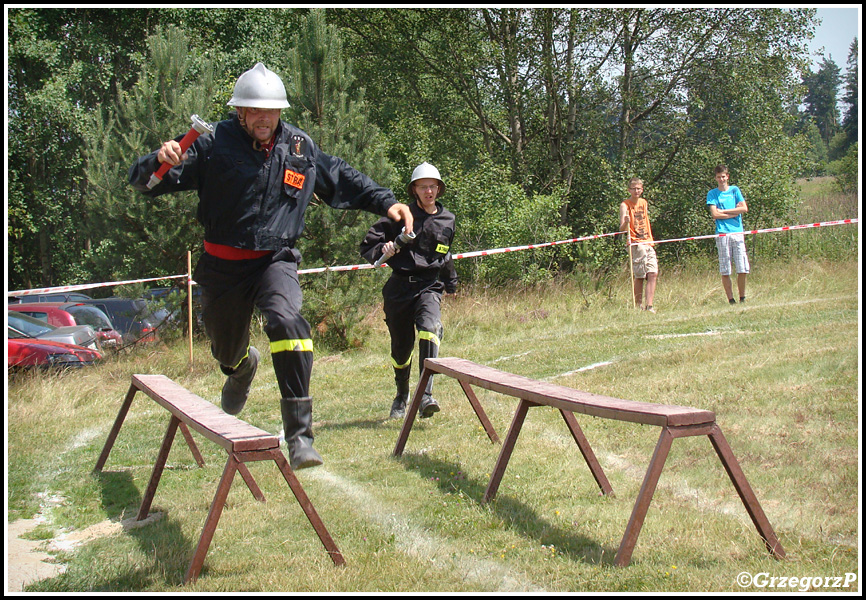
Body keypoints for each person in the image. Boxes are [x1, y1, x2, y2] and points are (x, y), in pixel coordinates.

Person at [129, 63, 413, 469]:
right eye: (254, 111)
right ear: (240, 112)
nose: (264, 119)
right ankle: (241, 368)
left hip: (274, 261)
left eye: (271, 111)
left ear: (280, 111)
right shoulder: (212, 144)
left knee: (287, 321)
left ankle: (300, 436)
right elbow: (146, 183)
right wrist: (157, 160)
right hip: (222, 267)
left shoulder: (299, 147)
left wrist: (387, 201)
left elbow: (340, 176)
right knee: (226, 350)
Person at [360, 162, 458, 420]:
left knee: (430, 329)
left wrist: (451, 283)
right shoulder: (401, 216)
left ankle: (425, 396)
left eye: (433, 186)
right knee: (401, 350)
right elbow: (368, 245)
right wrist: (384, 249)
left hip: (429, 285)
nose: (429, 191)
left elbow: (444, 254)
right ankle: (401, 395)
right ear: (414, 189)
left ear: (439, 189)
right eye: (423, 186)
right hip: (399, 287)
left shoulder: (448, 219)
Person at [706, 164, 749, 304]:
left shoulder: (735, 190)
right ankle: (731, 299)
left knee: (742, 267)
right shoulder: (712, 194)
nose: (721, 179)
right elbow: (714, 214)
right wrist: (732, 211)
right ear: (716, 178)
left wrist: (723, 212)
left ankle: (742, 297)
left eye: (723, 177)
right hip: (722, 233)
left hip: (737, 231)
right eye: (719, 177)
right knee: (725, 268)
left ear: (727, 177)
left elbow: (744, 208)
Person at [619, 177, 658, 313]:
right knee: (640, 275)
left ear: (642, 189)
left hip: (648, 241)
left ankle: (650, 305)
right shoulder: (625, 204)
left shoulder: (644, 203)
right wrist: (626, 222)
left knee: (653, 273)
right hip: (636, 243)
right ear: (629, 190)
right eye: (634, 188)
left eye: (639, 188)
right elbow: (622, 229)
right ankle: (638, 306)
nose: (636, 191)